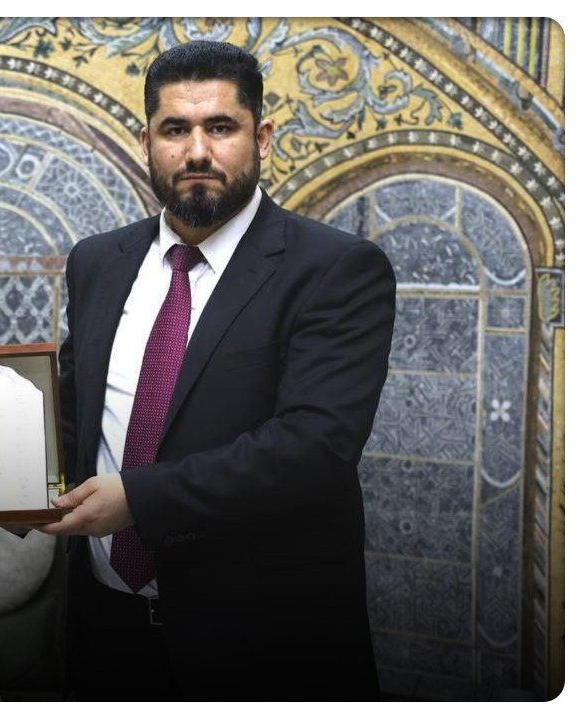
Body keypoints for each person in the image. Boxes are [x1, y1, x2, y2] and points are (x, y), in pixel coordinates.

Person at [41, 41, 395, 700]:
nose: (197, 152)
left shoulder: (335, 269)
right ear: (146, 141)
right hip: (104, 633)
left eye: (221, 127)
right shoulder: (97, 261)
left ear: (261, 137)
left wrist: (138, 499)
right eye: (175, 129)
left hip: (263, 644)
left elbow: (314, 447)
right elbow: (72, 415)